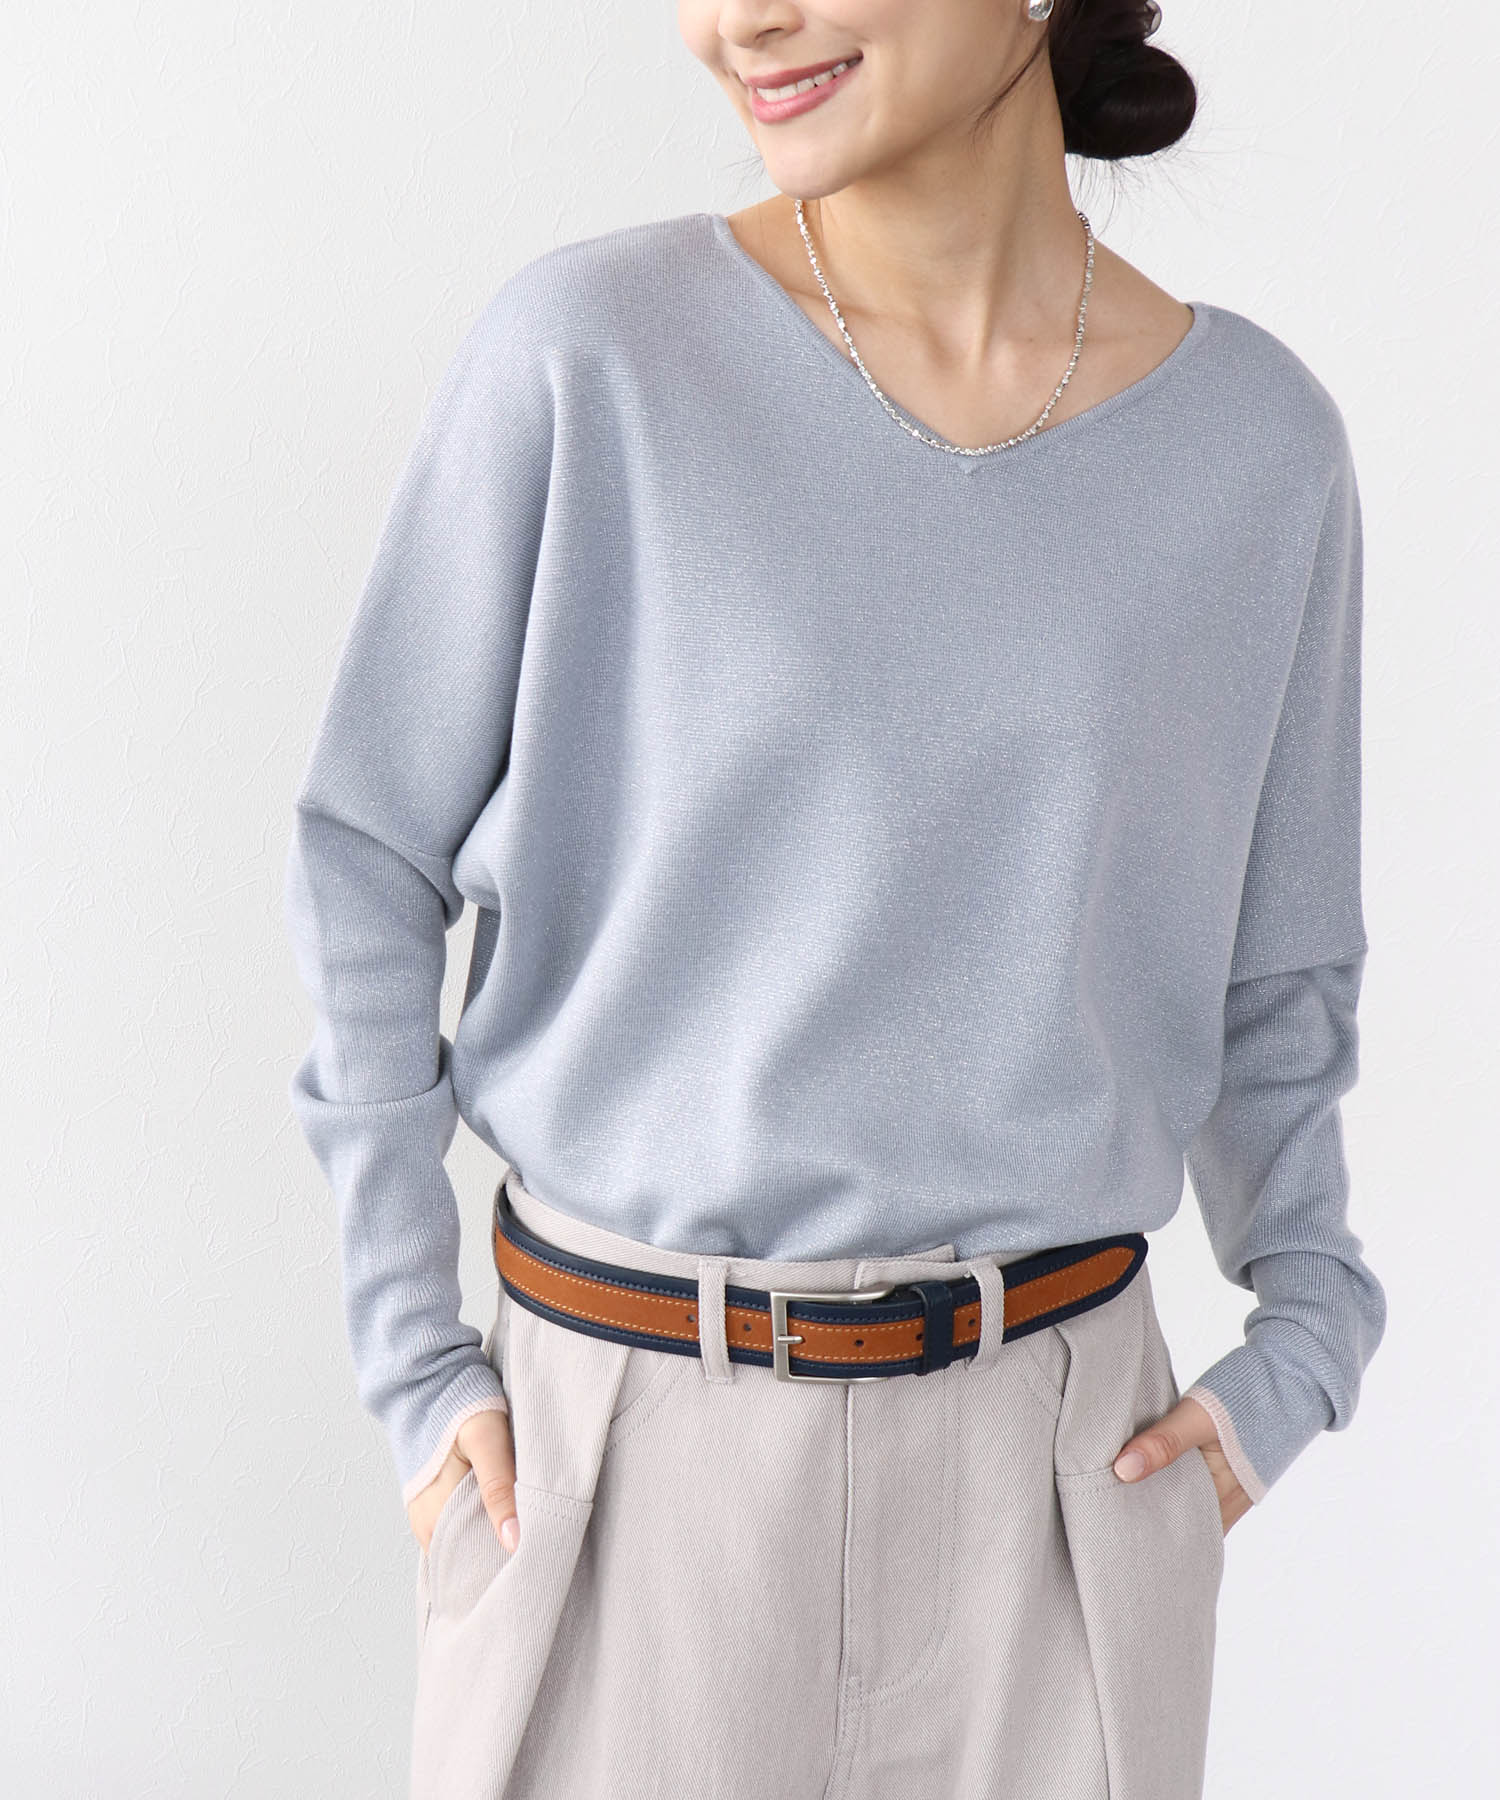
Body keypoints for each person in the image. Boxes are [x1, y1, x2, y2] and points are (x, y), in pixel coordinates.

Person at [283, 3, 1387, 1796]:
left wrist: (1306, 1343)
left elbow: (1281, 976)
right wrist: (418, 1370)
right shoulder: (591, 356)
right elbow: (366, 849)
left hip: (1060, 1500)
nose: (739, 22)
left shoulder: (1257, 451)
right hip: (620, 1472)